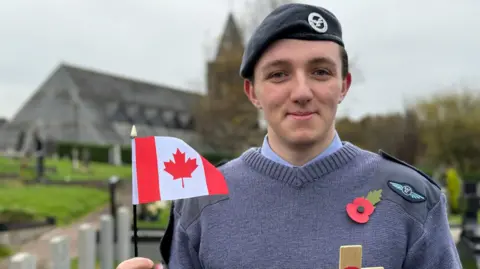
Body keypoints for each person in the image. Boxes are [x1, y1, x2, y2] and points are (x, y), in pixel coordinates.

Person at [117, 3, 461, 269]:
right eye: (279, 74)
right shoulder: (200, 200)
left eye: (320, 71)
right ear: (253, 92)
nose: (301, 91)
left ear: (343, 85)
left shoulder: (411, 200)